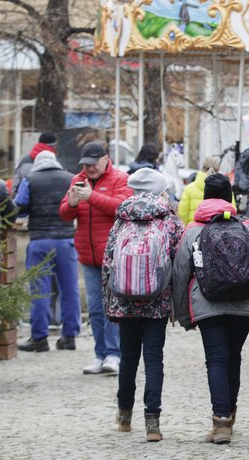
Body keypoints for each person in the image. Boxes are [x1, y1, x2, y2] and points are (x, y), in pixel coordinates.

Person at [172, 173, 249, 445]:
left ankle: (221, 424)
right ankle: (229, 413)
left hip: (207, 305)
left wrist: (183, 314)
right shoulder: (247, 228)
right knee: (233, 357)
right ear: (230, 196)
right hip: (243, 304)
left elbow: (180, 274)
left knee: (216, 359)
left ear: (205, 196)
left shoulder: (193, 230)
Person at [102, 168, 183, 443]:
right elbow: (179, 264)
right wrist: (177, 304)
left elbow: (108, 263)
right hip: (156, 303)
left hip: (124, 301)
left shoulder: (121, 220)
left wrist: (109, 303)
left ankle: (124, 415)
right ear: (161, 190)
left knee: (128, 358)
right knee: (153, 358)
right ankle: (153, 423)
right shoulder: (169, 222)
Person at [60, 141, 131, 375]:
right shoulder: (77, 180)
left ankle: (114, 354)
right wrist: (71, 204)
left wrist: (91, 197)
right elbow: (64, 213)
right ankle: (100, 354)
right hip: (88, 256)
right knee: (95, 309)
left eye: (92, 164)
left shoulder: (120, 179)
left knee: (112, 307)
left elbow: (121, 207)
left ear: (105, 159)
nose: (88, 168)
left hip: (112, 256)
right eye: (85, 164)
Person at [14, 150, 80, 352]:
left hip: (39, 240)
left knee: (39, 290)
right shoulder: (70, 179)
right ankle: (69, 337)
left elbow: (20, 208)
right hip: (66, 240)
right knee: (70, 289)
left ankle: (39, 338)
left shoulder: (30, 180)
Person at [177, 154, 221, 226]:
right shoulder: (224, 189)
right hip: (216, 233)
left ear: (202, 167)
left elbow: (182, 214)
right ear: (218, 170)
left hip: (193, 232)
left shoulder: (189, 189)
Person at [12, 132, 58, 196]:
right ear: (53, 146)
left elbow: (15, 186)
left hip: (26, 203)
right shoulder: (56, 162)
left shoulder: (25, 160)